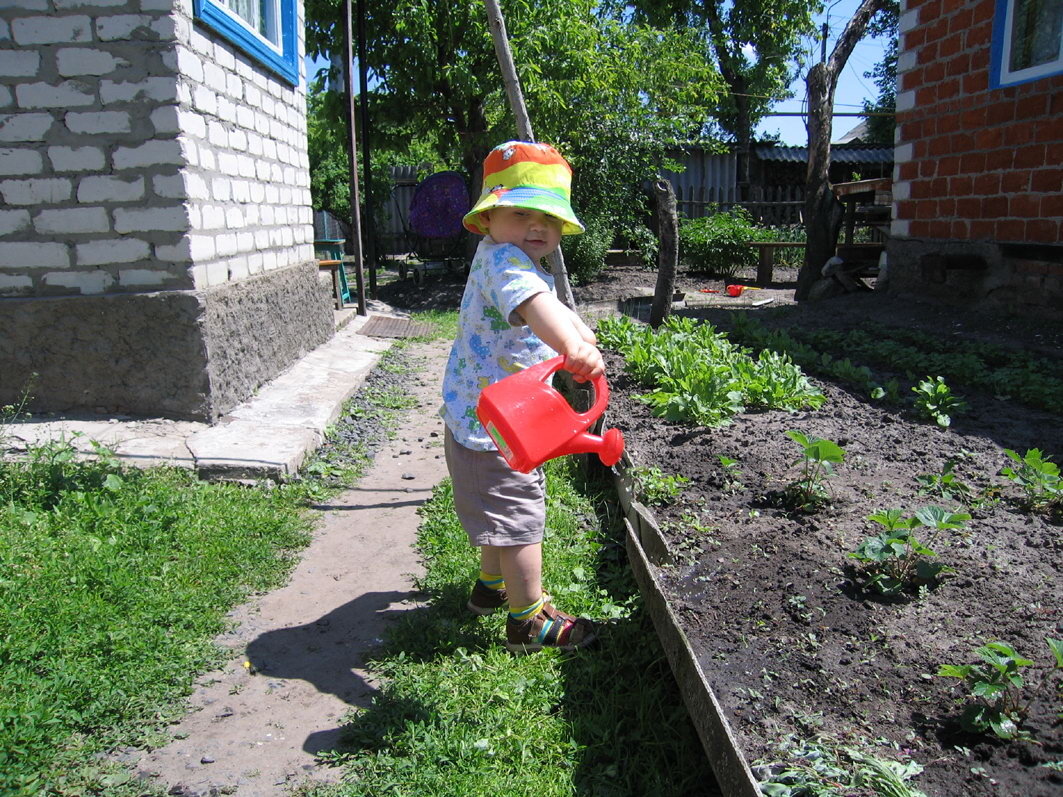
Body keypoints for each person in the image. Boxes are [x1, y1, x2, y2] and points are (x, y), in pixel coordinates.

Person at [440, 140, 603, 653]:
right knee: (521, 522)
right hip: (497, 425)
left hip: (491, 419)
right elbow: (535, 306)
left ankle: (491, 588)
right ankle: (528, 620)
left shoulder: (510, 258)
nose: (538, 227)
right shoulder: (505, 264)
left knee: (500, 515)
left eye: (549, 219)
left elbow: (552, 303)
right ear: (488, 219)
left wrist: (583, 334)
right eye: (521, 213)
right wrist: (573, 346)